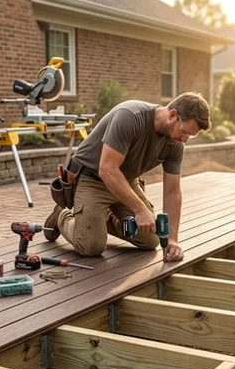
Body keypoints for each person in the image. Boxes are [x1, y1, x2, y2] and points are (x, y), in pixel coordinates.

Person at [44, 92, 211, 262]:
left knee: (151, 239)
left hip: (126, 181)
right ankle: (62, 215)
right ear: (173, 115)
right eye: (184, 132)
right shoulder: (130, 116)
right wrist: (140, 210)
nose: (184, 140)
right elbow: (107, 169)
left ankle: (99, 218)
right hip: (93, 178)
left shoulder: (175, 144)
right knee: (91, 245)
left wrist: (173, 240)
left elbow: (172, 192)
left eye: (190, 136)